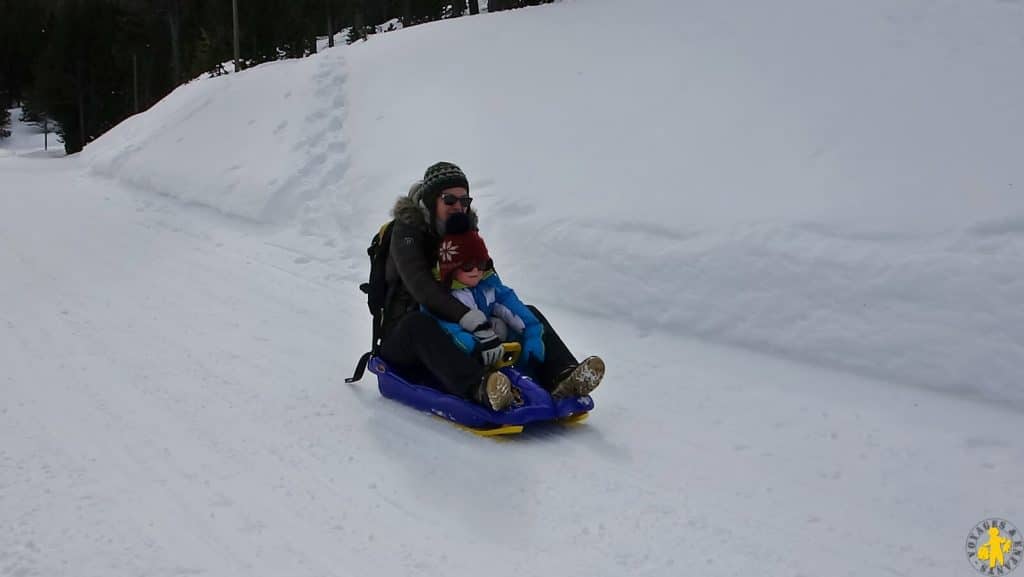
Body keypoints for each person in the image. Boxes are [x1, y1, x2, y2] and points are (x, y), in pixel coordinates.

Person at [378, 161, 604, 410]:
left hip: (456, 327)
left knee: (526, 313)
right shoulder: (407, 231)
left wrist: (508, 317)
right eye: (449, 200)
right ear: (432, 201)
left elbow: (487, 279)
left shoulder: (464, 228)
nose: (458, 207)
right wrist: (472, 319)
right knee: (419, 324)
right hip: (405, 338)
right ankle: (482, 388)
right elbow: (421, 287)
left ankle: (564, 375)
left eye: (464, 201)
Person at [427, 212, 604, 410]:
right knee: (455, 349)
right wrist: (475, 347)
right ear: (452, 267)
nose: (476, 270)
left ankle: (563, 375)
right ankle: (488, 390)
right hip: (464, 354)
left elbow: (516, 310)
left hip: (493, 347)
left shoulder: (488, 286)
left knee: (530, 315)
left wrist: (533, 335)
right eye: (468, 265)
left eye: (481, 263)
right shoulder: (443, 297)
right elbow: (447, 329)